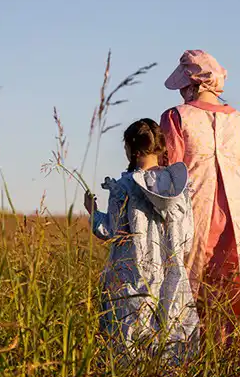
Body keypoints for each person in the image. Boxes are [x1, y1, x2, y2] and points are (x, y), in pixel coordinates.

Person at [160, 50, 240, 364]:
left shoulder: (176, 117)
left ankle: (183, 362)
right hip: (236, 219)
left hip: (191, 215)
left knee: (186, 285)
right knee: (237, 286)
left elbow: (167, 172)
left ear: (189, 82)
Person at [84, 118, 199, 362]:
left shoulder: (124, 187)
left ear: (130, 149)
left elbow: (111, 230)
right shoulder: (178, 190)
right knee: (171, 335)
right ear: (159, 147)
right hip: (172, 272)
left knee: (130, 337)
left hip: (132, 274)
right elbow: (188, 236)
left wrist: (92, 212)